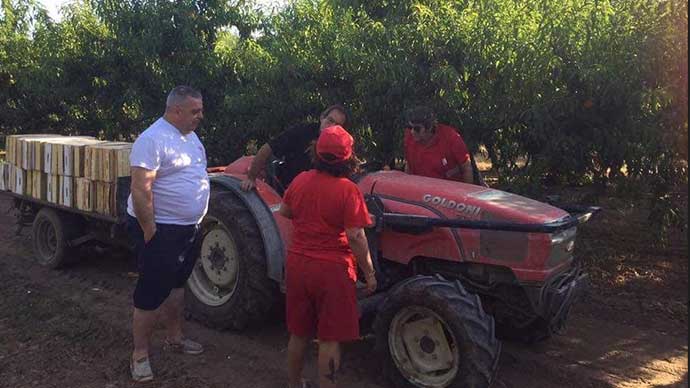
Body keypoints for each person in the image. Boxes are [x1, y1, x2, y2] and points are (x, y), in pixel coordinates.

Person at [278, 125, 377, 388]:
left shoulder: (300, 180)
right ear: (348, 157)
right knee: (329, 339)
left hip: (298, 265)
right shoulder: (348, 190)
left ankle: (294, 383)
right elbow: (356, 236)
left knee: (298, 333)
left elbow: (286, 212)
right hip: (332, 270)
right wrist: (369, 273)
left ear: (317, 153)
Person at [126, 85, 210, 382]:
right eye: (194, 111)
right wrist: (151, 231)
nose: (200, 116)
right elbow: (140, 188)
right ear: (176, 111)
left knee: (177, 285)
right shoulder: (152, 139)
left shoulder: (190, 136)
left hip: (187, 229)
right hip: (161, 230)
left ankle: (175, 338)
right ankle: (139, 354)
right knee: (150, 292)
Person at [240, 104, 349, 192]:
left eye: (337, 125)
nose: (331, 126)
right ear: (322, 118)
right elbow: (267, 148)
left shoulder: (341, 147)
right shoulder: (301, 132)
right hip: (287, 189)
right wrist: (251, 179)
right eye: (330, 120)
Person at [403, 105, 474, 184]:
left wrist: (464, 194)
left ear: (429, 128)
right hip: (419, 188)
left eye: (417, 129)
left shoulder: (450, 137)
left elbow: (466, 168)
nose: (412, 132)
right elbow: (409, 166)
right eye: (410, 127)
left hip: (447, 191)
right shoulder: (409, 136)